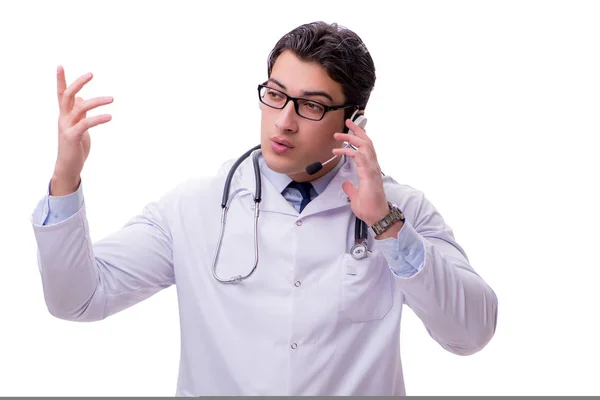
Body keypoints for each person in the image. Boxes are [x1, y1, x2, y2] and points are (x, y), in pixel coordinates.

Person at [30, 21, 498, 396]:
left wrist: (386, 225)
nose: (284, 121)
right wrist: (66, 176)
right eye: (275, 95)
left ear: (353, 122)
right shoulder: (193, 208)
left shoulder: (402, 211)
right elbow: (77, 300)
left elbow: (471, 334)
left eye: (310, 106)